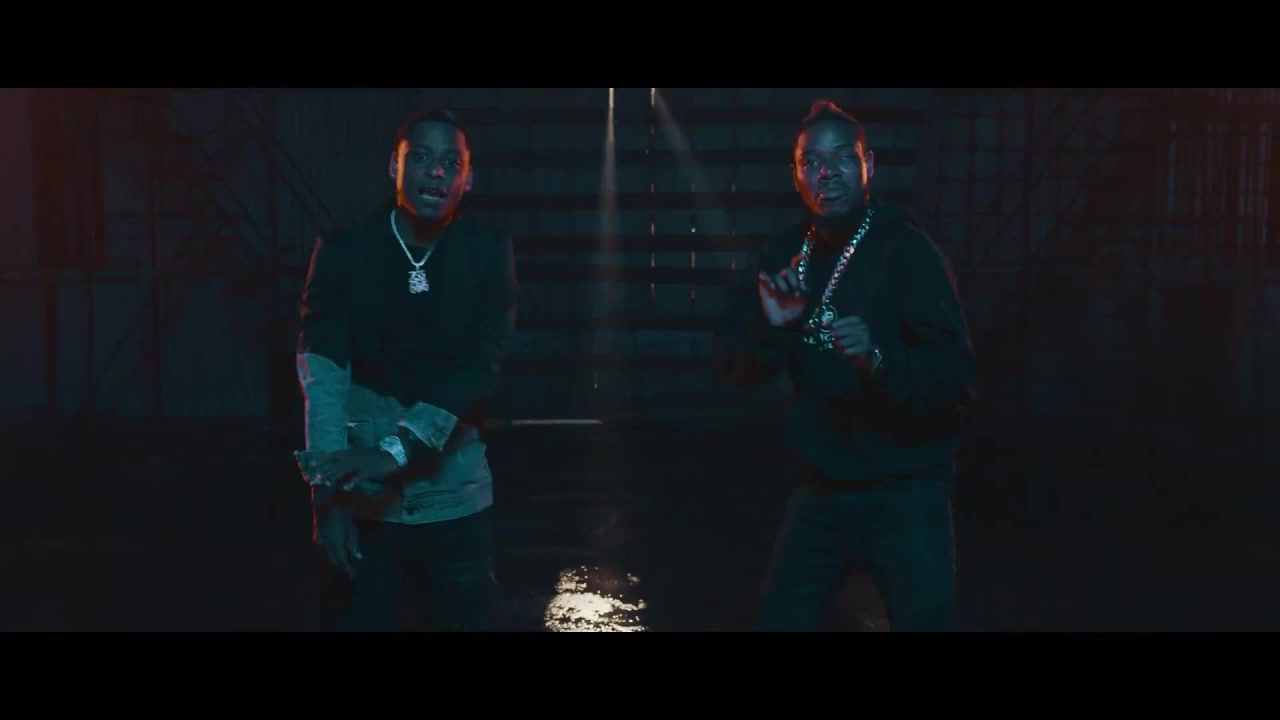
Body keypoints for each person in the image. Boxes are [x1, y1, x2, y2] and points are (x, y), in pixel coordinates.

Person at [713, 99, 977, 631]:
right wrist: (773, 326)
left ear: (868, 166)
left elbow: (955, 384)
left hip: (906, 493)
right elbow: (735, 370)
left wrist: (876, 361)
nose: (826, 172)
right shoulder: (785, 256)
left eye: (842, 157)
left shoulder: (908, 252)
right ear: (795, 175)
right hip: (822, 490)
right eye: (811, 161)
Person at [292, 108, 518, 631]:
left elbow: (477, 368)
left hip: (454, 500)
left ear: (468, 179)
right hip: (366, 505)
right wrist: (326, 497)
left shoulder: (487, 253)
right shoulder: (346, 250)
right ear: (394, 167)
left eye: (451, 162)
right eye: (420, 157)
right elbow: (323, 374)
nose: (435, 171)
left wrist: (394, 451)